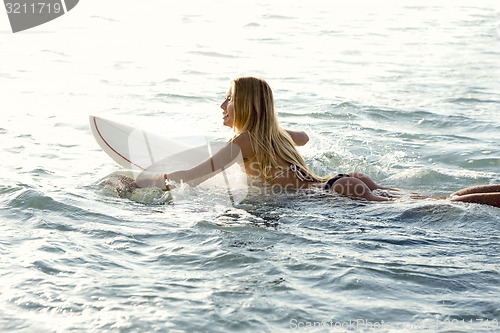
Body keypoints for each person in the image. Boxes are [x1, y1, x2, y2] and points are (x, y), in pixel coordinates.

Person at [131, 76, 499, 208]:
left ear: (243, 105)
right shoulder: (272, 136)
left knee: (444, 207)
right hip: (343, 182)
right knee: (440, 199)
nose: (222, 105)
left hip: (331, 195)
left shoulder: (243, 142)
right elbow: (303, 138)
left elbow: (192, 176)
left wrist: (138, 182)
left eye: (227, 98)